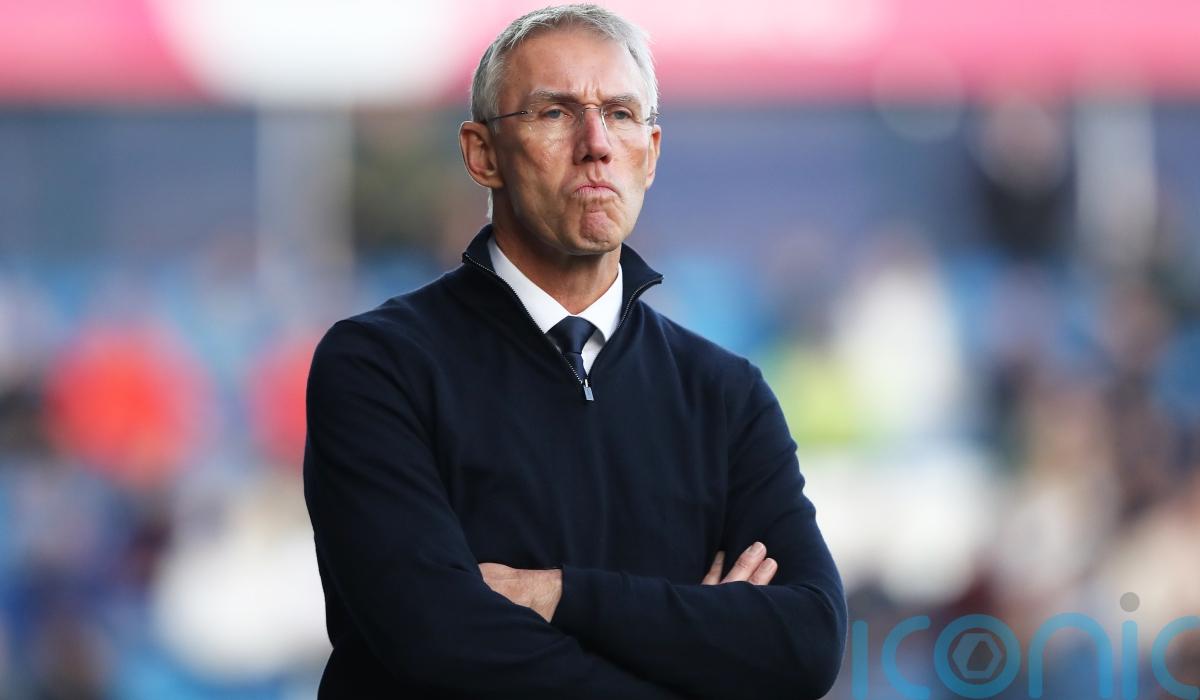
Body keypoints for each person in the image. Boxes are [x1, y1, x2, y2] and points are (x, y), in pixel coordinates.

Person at [302, 5, 846, 698]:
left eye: (620, 114)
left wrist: (560, 595)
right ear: (482, 154)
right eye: (555, 113)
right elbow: (441, 645)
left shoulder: (725, 394)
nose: (596, 143)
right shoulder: (379, 367)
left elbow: (807, 640)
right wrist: (699, 642)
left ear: (651, 153)